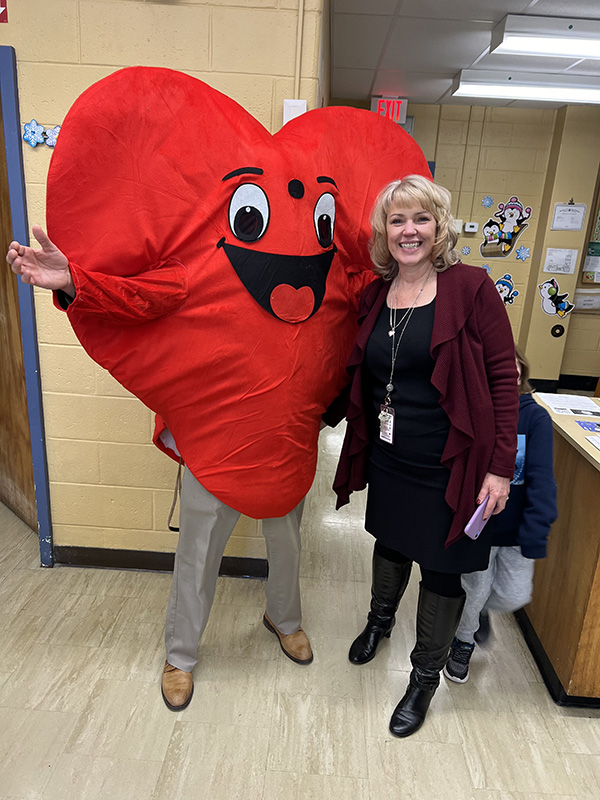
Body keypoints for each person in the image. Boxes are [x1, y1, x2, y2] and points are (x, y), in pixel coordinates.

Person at [7, 227, 314, 712]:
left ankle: (285, 619)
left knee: (288, 541)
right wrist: (75, 281)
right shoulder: (208, 258)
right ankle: (181, 655)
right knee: (198, 551)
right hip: (215, 437)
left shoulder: (314, 261)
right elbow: (141, 298)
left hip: (283, 439)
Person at [332, 175, 519, 737]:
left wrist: (500, 468)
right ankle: (379, 622)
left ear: (438, 227)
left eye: (420, 219)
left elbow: (503, 380)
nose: (408, 231)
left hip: (454, 460)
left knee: (442, 568)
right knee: (389, 541)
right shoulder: (375, 294)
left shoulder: (470, 288)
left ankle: (423, 678)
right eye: (396, 220)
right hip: (393, 455)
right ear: (384, 233)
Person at [444, 346, 557, 683]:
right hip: (481, 530)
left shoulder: (535, 418)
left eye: (514, 370)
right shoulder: (478, 415)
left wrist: (537, 530)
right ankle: (462, 642)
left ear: (522, 373)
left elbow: (542, 479)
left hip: (517, 529)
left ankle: (475, 614)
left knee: (514, 594)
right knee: (475, 590)